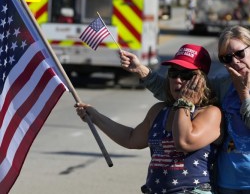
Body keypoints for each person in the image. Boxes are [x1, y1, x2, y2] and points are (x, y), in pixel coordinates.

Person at [76, 44, 223, 194]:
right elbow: (131, 138)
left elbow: (184, 142)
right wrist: (95, 117)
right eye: (173, 73)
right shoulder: (159, 110)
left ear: (201, 80)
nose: (178, 80)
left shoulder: (210, 113)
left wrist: (185, 102)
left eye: (186, 75)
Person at [120, 26, 250, 194]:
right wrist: (141, 71)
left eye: (239, 54)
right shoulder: (223, 84)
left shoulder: (238, 89)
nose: (234, 62)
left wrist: (245, 96)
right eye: (226, 58)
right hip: (228, 182)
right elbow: (180, 89)